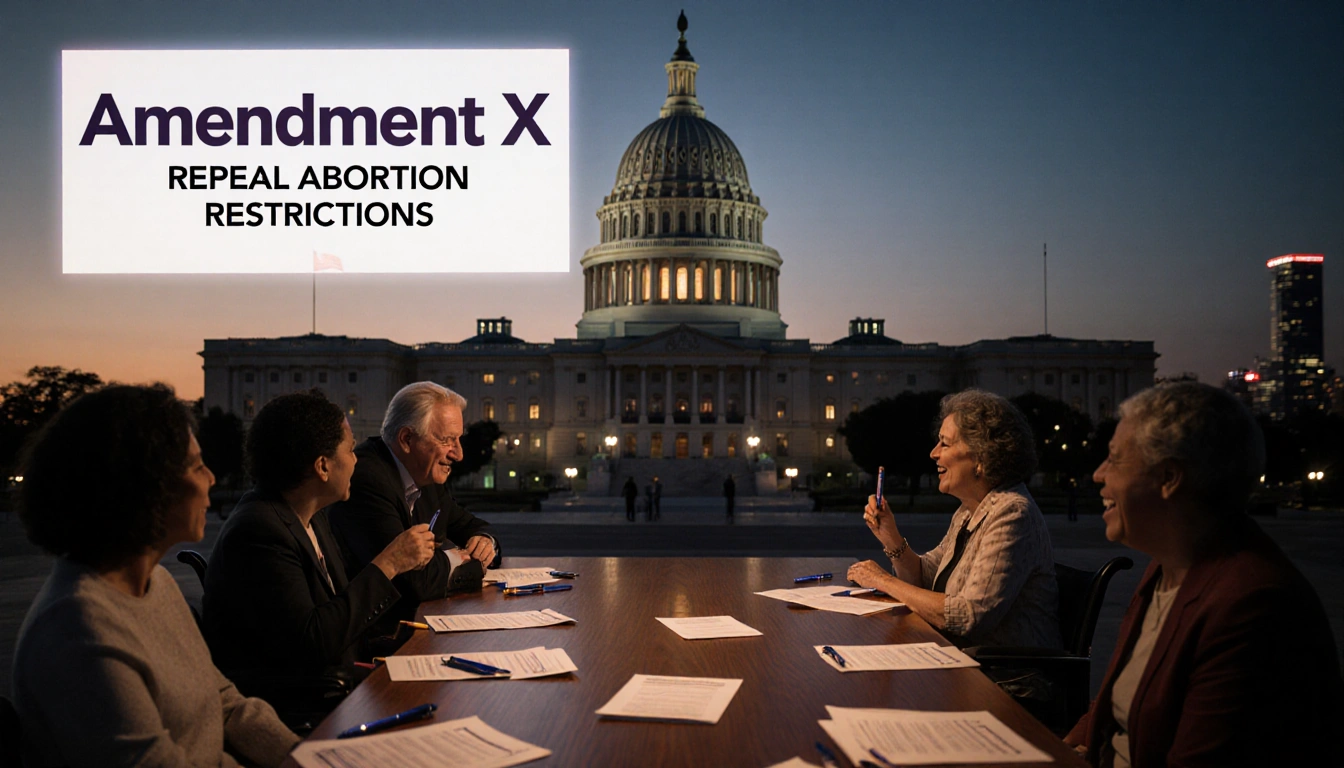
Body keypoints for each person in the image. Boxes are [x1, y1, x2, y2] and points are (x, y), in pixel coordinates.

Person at [12, 384, 298, 767]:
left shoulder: (156, 583)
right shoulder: (77, 629)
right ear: (146, 486)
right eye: (197, 466)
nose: (211, 478)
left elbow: (224, 702)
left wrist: (308, 756)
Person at [1064, 382, 1341, 766]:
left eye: (1114, 459)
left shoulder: (1249, 606)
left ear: (1169, 478)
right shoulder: (1168, 566)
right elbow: (1121, 697)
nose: (1098, 475)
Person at [202, 391, 436, 713]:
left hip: (338, 683)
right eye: (351, 450)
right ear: (323, 466)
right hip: (300, 705)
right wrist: (389, 563)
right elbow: (313, 642)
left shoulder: (311, 518)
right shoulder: (260, 531)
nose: (357, 460)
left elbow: (339, 615)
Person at [847, 390, 1059, 648]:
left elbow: (968, 616)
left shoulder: (1012, 513)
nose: (933, 453)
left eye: (945, 444)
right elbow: (922, 579)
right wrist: (889, 536)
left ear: (981, 456)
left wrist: (881, 581)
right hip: (962, 663)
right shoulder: (969, 511)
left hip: (1003, 680)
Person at [327, 382, 500, 630]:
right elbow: (414, 582)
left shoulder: (426, 473)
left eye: (459, 440)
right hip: (375, 640)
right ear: (407, 439)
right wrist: (456, 558)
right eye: (448, 440)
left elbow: (470, 524)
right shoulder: (368, 479)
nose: (458, 454)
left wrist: (485, 541)